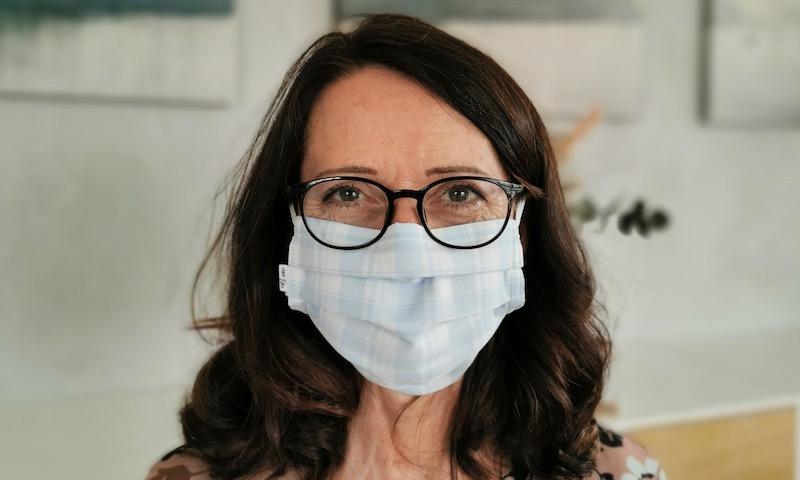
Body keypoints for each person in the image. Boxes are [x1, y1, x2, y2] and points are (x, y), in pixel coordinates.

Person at [146, 13, 666, 480]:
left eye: (460, 193)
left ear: (523, 232)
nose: (406, 252)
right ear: (289, 232)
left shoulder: (618, 473)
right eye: (347, 193)